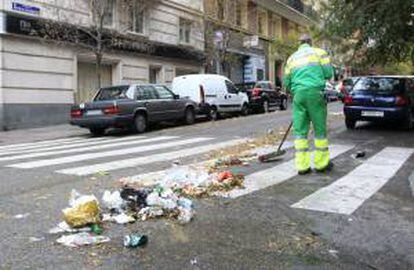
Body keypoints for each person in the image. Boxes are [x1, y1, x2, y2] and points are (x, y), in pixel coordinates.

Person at [283, 34, 334, 175]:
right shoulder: (320, 53)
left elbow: (286, 82)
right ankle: (321, 164)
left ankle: (302, 166)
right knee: (319, 130)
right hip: (315, 93)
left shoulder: (292, 58)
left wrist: (295, 88)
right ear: (310, 43)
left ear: (299, 44)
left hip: (298, 95)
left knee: (300, 131)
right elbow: (328, 73)